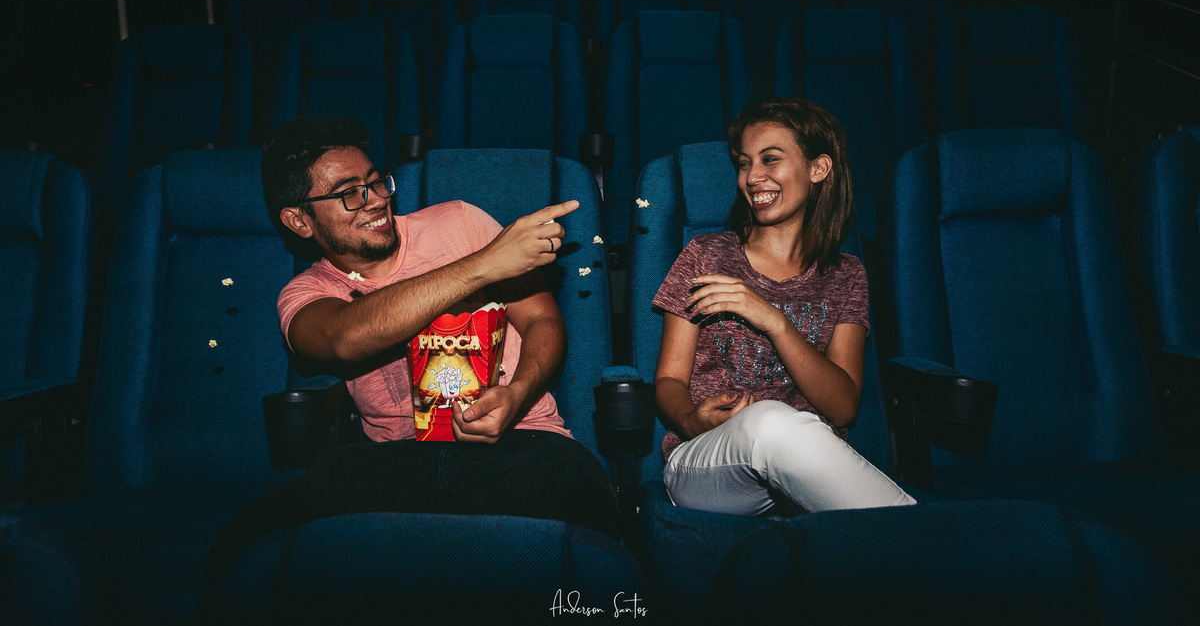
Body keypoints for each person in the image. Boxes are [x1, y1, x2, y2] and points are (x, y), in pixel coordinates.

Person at [203, 115, 618, 577]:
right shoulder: (306, 293)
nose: (376, 200)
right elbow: (344, 338)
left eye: (376, 182)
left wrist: (518, 393)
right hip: (392, 460)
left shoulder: (460, 223)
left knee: (584, 522)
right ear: (299, 220)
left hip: (522, 441)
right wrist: (483, 265)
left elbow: (543, 320)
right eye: (349, 193)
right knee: (245, 546)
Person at [652, 97, 915, 517]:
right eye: (744, 163)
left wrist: (774, 321)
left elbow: (842, 407)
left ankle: (910, 537)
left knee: (780, 424)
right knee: (769, 422)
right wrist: (688, 420)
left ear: (818, 168)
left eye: (770, 159)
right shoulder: (705, 254)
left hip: (806, 464)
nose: (752, 177)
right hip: (708, 462)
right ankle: (921, 535)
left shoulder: (847, 275)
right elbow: (669, 377)